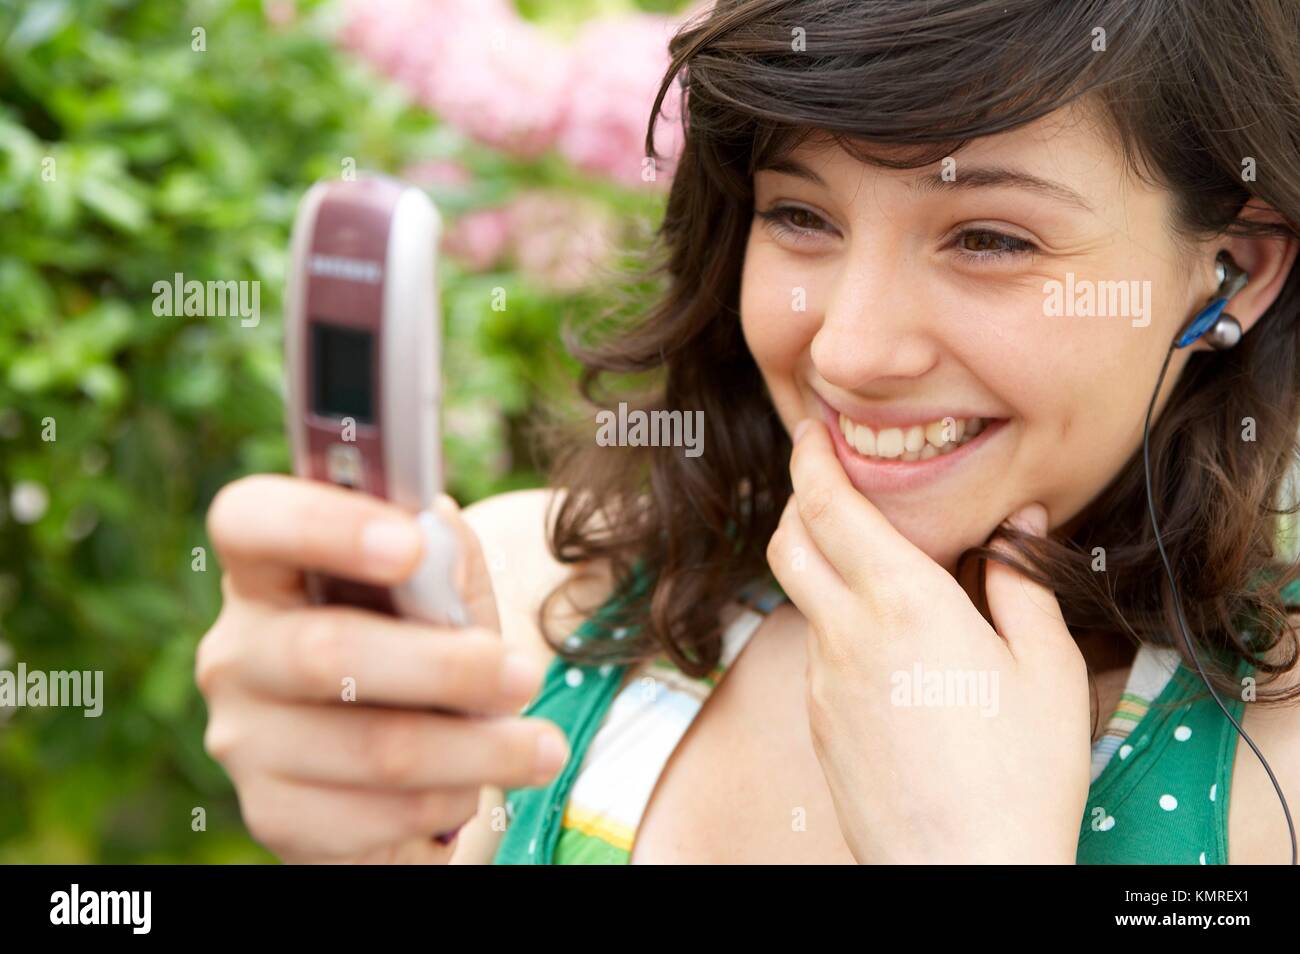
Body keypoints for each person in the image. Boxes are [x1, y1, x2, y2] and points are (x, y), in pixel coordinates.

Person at [196, 0, 1300, 863]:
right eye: (801, 215)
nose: (849, 352)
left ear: (1230, 271)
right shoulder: (531, 606)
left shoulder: (1274, 763)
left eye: (990, 239)